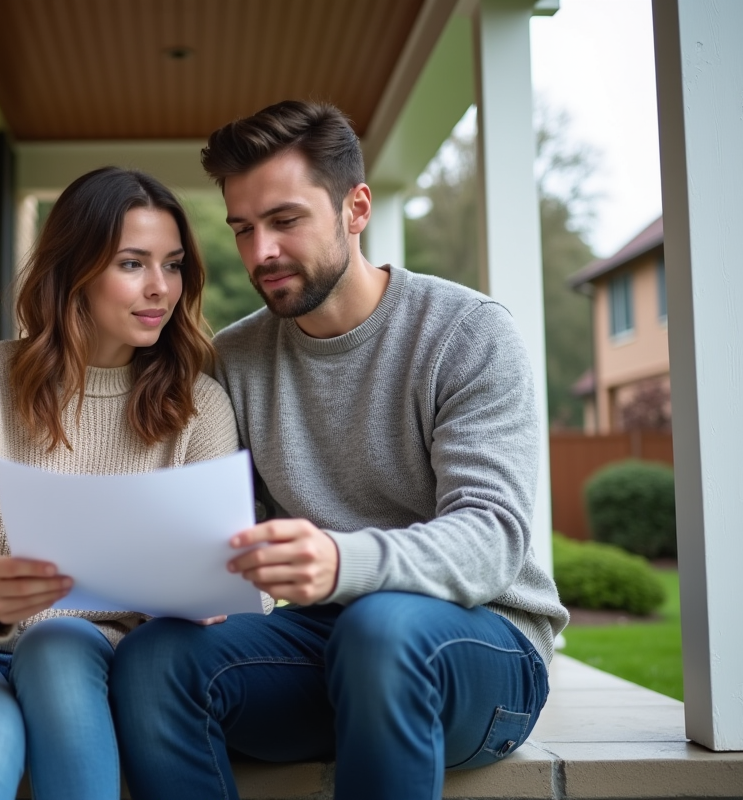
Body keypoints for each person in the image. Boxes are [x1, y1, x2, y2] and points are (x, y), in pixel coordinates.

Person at [110, 100, 570, 800]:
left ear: (356, 209)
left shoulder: (466, 333)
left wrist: (339, 560)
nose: (260, 251)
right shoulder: (233, 359)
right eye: (243, 229)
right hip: (327, 649)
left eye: (286, 221)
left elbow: (492, 539)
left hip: (483, 652)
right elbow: (223, 529)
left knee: (382, 630)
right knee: (153, 662)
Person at [0, 166, 242, 800]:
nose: (160, 289)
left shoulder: (198, 406)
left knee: (61, 641)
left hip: (84, 659)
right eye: (132, 264)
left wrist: (203, 592)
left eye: (172, 265)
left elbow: (209, 561)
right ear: (76, 271)